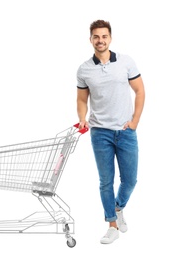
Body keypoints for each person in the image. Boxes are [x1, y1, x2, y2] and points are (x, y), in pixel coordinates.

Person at [76, 20, 145, 244]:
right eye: (96, 37)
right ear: (90, 40)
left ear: (110, 38)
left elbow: (140, 90)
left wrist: (134, 121)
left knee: (130, 180)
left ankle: (118, 207)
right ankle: (112, 224)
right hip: (100, 133)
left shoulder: (126, 62)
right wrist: (82, 119)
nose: (100, 40)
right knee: (106, 181)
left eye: (104, 36)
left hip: (125, 131)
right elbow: (81, 99)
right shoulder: (84, 69)